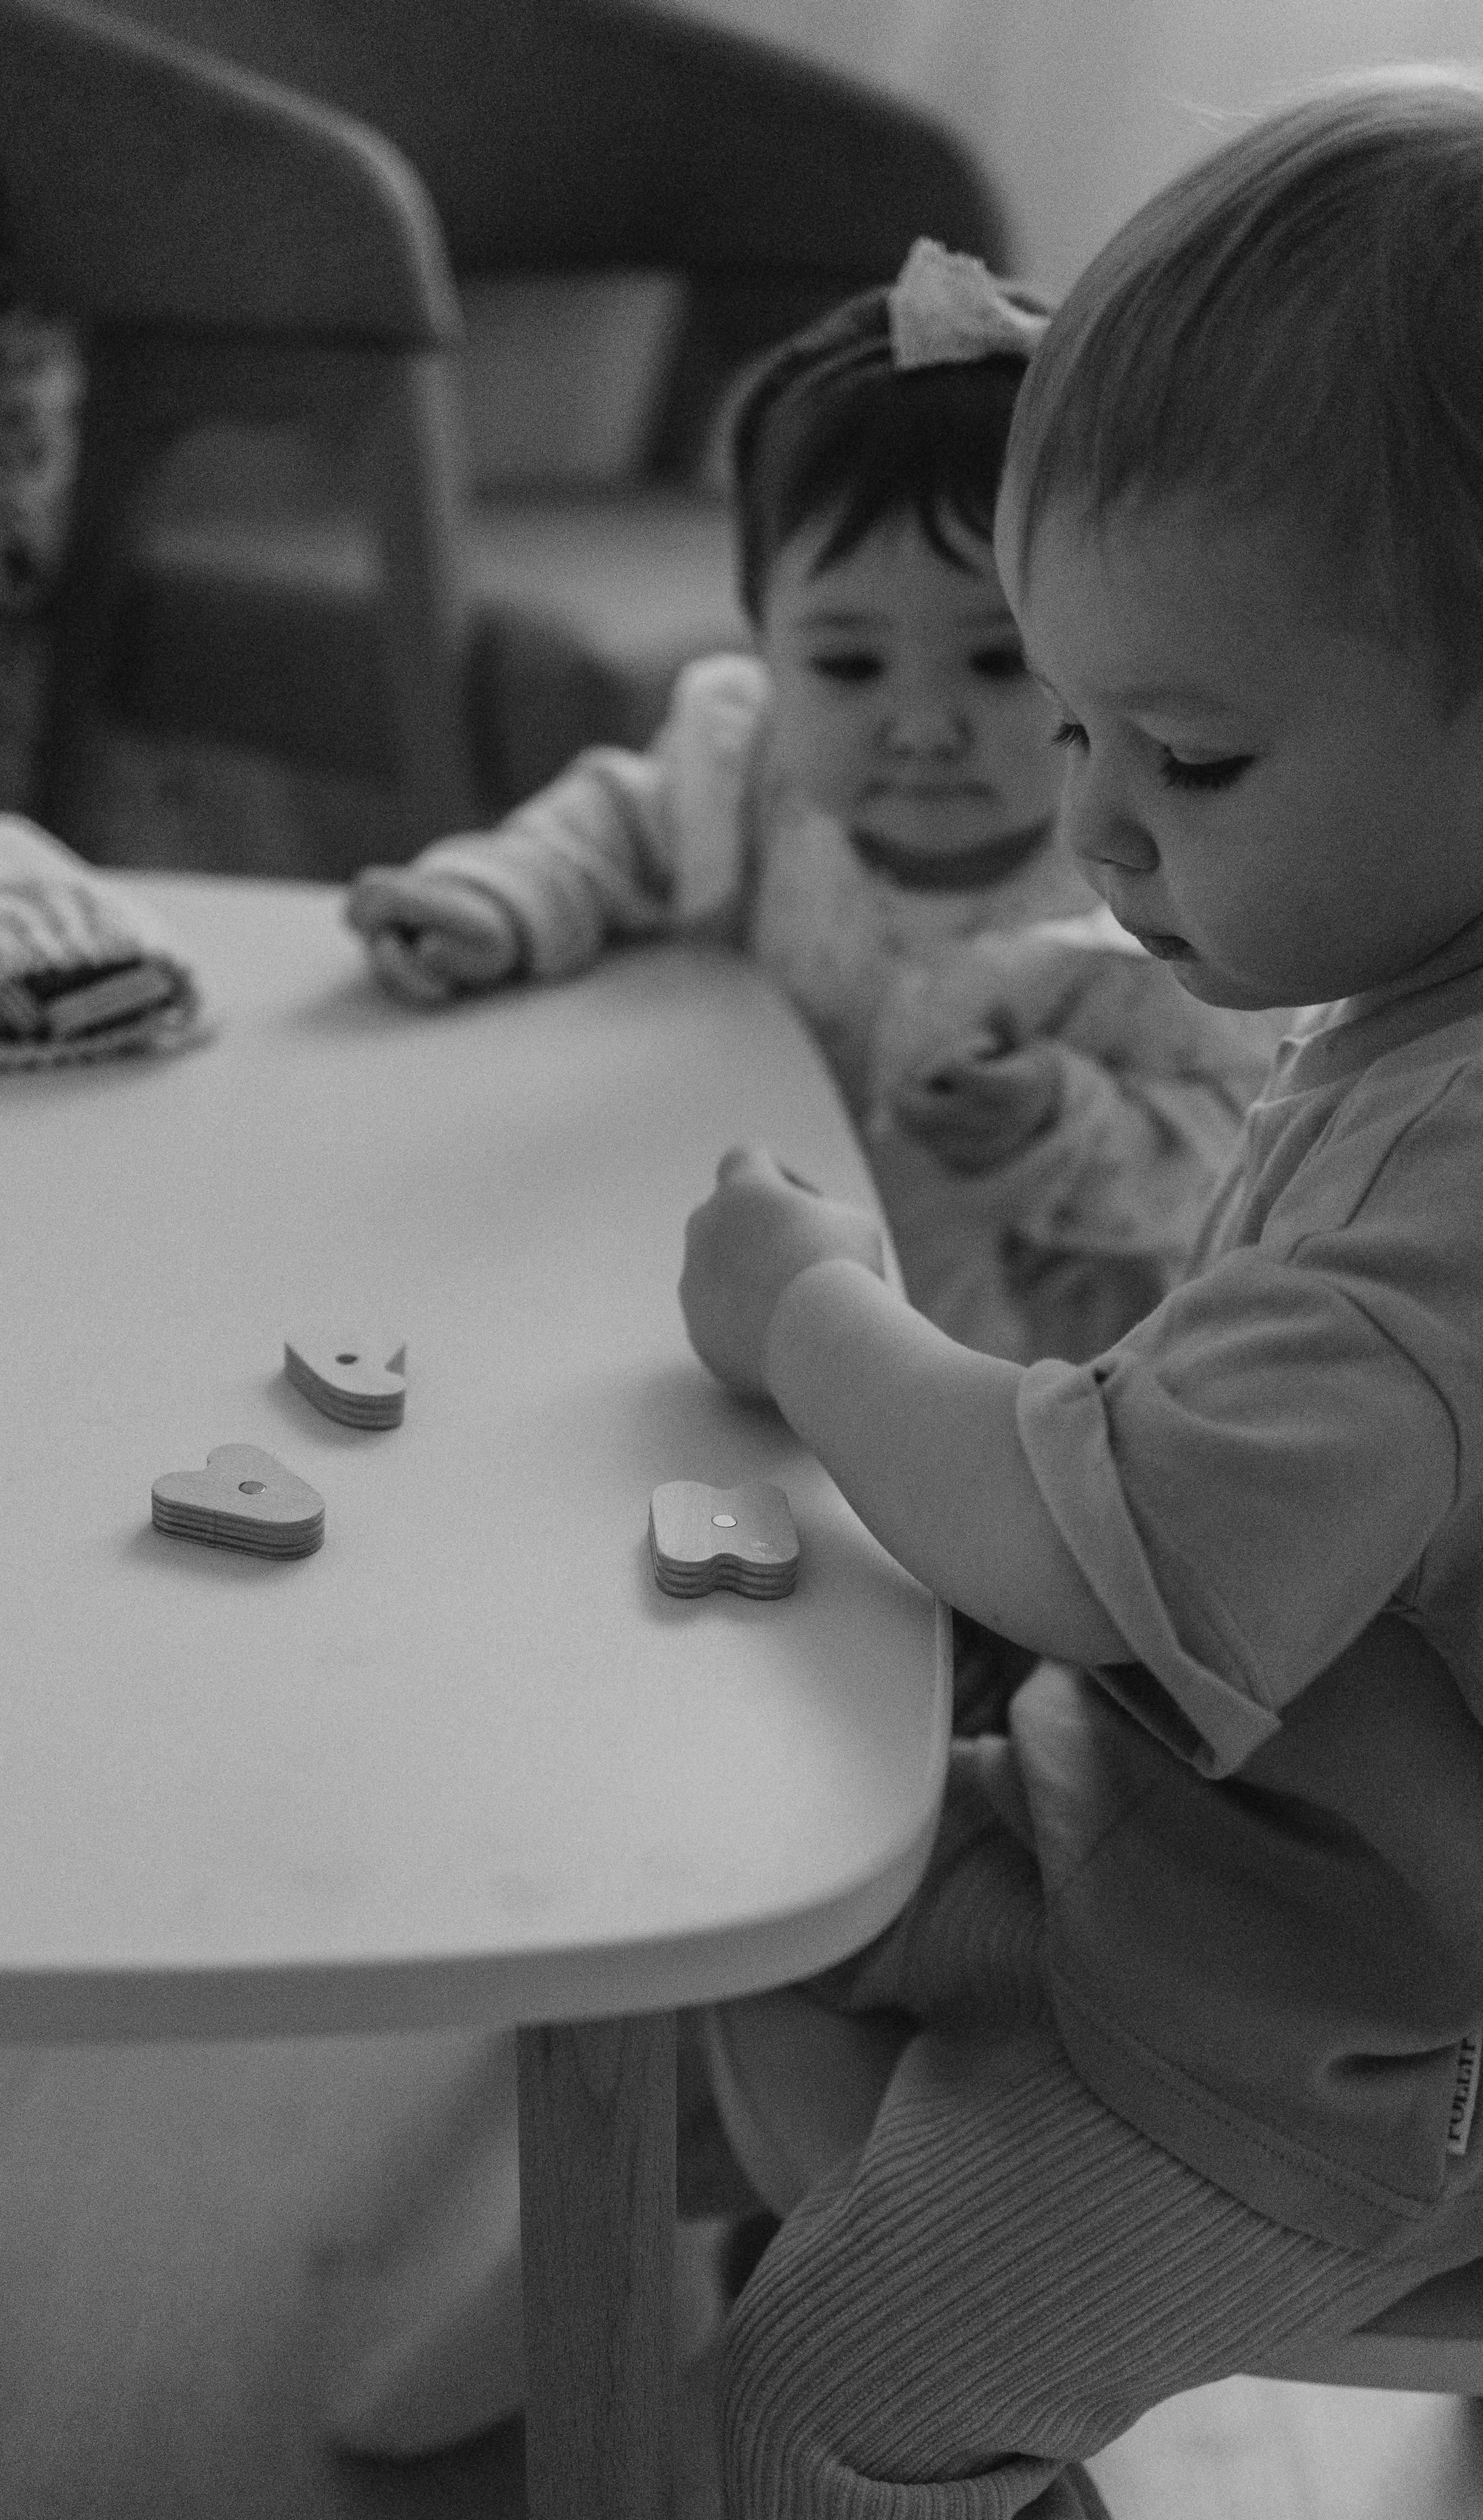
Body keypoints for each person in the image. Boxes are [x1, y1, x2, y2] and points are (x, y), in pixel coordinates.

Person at [674, 66, 1483, 2520]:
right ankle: (626, 2247)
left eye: (1195, 758)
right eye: (1070, 720)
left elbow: (1068, 1531)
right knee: (701, 1907)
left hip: (1337, 2047)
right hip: (1181, 1845)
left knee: (801, 2417)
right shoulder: (1401, 989)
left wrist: (805, 1304)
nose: (1095, 815)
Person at [349, 242, 1277, 1374]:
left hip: (1011, 1372)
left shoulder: (1144, 882)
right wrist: (502, 898)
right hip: (713, 1277)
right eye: (846, 665)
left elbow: (1239, 1159)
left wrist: (1060, 1124)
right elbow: (614, 828)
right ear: (762, 641)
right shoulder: (751, 774)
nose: (924, 725)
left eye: (998, 664)